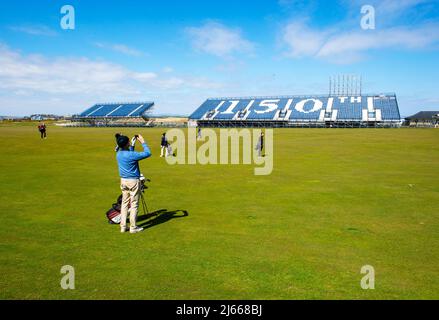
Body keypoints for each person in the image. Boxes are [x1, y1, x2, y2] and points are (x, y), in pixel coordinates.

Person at [115, 133, 151, 234]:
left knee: (124, 203)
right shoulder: (132, 154)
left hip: (123, 181)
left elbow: (128, 152)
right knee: (134, 204)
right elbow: (148, 153)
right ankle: (133, 227)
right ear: (127, 144)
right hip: (133, 181)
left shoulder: (118, 153)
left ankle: (123, 226)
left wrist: (132, 144)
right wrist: (143, 142)